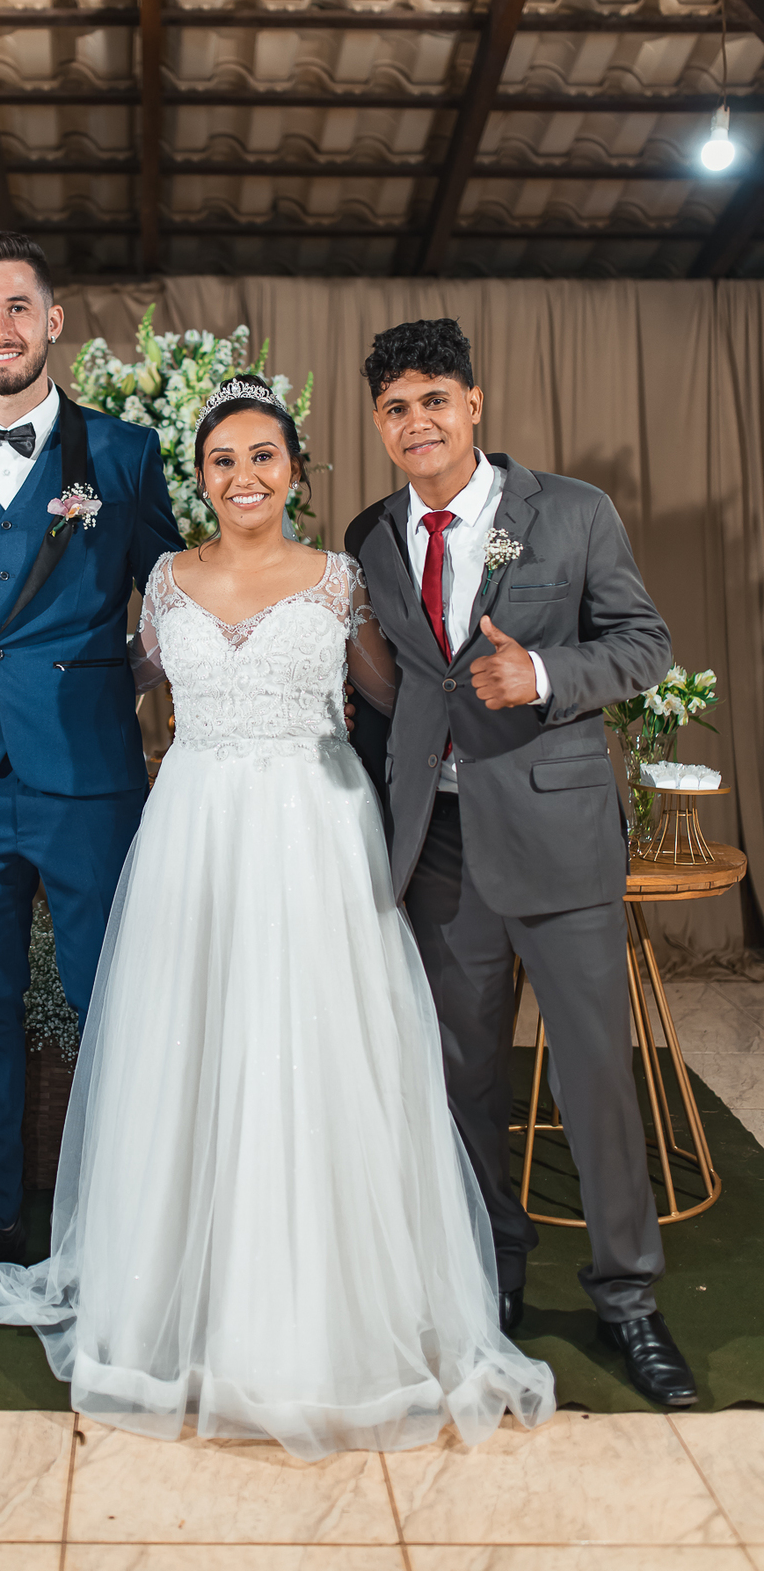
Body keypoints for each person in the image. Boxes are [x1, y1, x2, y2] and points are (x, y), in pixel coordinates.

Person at [0, 374, 555, 1460]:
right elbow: (118, 682)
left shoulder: (341, 581)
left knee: (309, 1051)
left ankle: (316, 1309)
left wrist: (492, 752)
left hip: (312, 833)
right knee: (192, 1047)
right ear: (199, 479)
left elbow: (396, 695)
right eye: (222, 460)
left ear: (295, 468)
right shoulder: (164, 581)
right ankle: (177, 1293)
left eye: (263, 456)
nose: (244, 477)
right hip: (195, 833)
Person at [345, 317, 697, 1410]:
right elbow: (392, 686)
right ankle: (487, 1276)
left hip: (555, 833)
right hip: (437, 848)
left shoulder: (572, 511)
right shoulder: (370, 535)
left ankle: (628, 1298)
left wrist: (542, 675)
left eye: (434, 400)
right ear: (379, 424)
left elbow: (645, 645)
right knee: (463, 1081)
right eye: (396, 408)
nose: (418, 422)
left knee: (594, 1076)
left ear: (474, 405)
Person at [0, 231, 183, 1310]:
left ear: (53, 321)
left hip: (87, 775)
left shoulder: (125, 454)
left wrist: (120, 676)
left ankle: (123, 1226)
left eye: (18, 307)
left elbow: (178, 596)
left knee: (115, 1002)